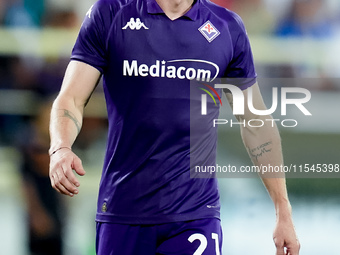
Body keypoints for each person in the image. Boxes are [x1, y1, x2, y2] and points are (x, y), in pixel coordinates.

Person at [48, 0, 300, 254]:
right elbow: (71, 98)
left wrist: (283, 210)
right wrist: (60, 148)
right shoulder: (112, 12)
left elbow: (256, 123)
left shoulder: (227, 27)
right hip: (123, 210)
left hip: (196, 214)